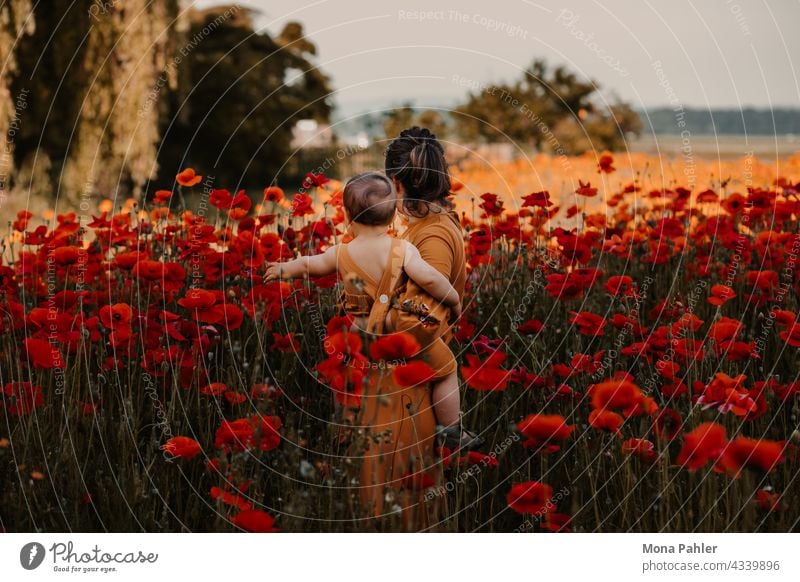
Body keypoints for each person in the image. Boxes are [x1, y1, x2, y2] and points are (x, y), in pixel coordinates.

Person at [265, 172, 470, 449]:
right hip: (395, 333)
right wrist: (455, 301)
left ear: (348, 216)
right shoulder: (403, 249)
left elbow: (307, 265)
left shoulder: (341, 253)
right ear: (392, 216)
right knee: (446, 370)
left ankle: (345, 427)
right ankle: (451, 431)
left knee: (346, 373)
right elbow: (432, 280)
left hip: (360, 335)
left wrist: (282, 269)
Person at [385, 126, 483, 450]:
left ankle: (452, 432)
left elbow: (419, 322)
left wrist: (374, 318)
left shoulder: (433, 237)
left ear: (397, 183)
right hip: (416, 375)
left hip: (418, 382)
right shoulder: (432, 224)